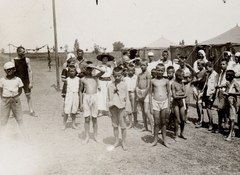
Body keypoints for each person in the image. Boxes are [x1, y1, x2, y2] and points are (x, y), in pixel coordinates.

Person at [0, 62, 28, 140]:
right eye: (7, 70)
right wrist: (4, 99)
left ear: (14, 69)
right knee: (3, 119)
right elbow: (0, 91)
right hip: (5, 100)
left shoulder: (18, 79)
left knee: (19, 119)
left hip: (15, 100)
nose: (9, 71)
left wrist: (15, 97)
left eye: (11, 69)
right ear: (5, 71)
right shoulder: (2, 80)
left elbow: (20, 90)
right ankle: (1, 137)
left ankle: (26, 136)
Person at [80, 62, 105, 144]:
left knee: (94, 118)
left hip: (94, 97)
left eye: (90, 69)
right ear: (84, 69)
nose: (89, 70)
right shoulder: (83, 79)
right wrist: (81, 103)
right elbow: (80, 92)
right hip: (86, 97)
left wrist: (94, 67)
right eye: (87, 69)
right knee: (87, 118)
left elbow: (103, 71)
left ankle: (95, 136)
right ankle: (87, 136)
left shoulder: (95, 77)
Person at [12, 46, 37, 117]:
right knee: (15, 96)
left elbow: (30, 71)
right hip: (17, 81)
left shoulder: (27, 60)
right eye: (22, 52)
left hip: (26, 80)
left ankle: (31, 111)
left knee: (28, 95)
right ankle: (14, 112)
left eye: (24, 51)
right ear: (18, 52)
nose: (24, 53)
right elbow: (12, 73)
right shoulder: (13, 61)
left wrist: (31, 82)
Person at [108, 67, 129, 150]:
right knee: (115, 125)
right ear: (113, 75)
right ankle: (116, 141)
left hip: (122, 108)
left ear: (122, 76)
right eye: (115, 76)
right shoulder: (110, 85)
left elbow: (127, 98)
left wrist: (127, 110)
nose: (117, 78)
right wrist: (108, 109)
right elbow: (108, 98)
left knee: (123, 126)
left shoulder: (124, 85)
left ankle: (123, 142)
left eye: (119, 76)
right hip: (113, 107)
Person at [150, 63, 170, 147]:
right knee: (156, 122)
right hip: (155, 102)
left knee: (163, 121)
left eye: (162, 71)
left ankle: (164, 139)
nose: (160, 72)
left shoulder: (166, 81)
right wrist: (151, 106)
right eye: (158, 70)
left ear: (164, 71)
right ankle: (155, 140)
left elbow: (169, 94)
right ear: (155, 70)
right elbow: (150, 94)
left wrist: (168, 105)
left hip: (164, 102)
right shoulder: (152, 81)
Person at [136, 59, 154, 133]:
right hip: (140, 92)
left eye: (144, 65)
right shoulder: (139, 75)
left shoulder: (148, 74)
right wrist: (137, 93)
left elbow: (148, 86)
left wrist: (144, 94)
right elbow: (136, 85)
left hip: (146, 93)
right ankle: (145, 126)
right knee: (143, 111)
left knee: (146, 111)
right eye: (141, 65)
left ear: (147, 65)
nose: (142, 66)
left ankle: (152, 127)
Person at [62, 66, 81, 130]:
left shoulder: (78, 79)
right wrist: (64, 95)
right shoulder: (67, 79)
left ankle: (73, 124)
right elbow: (64, 88)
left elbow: (80, 89)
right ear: (68, 72)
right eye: (70, 71)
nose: (72, 72)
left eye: (73, 71)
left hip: (75, 95)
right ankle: (64, 124)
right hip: (69, 95)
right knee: (66, 110)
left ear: (75, 72)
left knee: (74, 111)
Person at [223, 70, 240, 141]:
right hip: (228, 102)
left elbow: (239, 92)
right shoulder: (228, 83)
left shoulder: (235, 83)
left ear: (231, 76)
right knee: (229, 117)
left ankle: (230, 135)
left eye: (227, 75)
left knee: (232, 119)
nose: (226, 77)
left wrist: (231, 94)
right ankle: (232, 131)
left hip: (233, 102)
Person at [171, 69, 187, 140]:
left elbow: (184, 92)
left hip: (181, 102)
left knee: (183, 119)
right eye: (182, 75)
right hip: (175, 103)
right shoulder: (173, 83)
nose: (183, 76)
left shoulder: (182, 83)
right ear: (178, 76)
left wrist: (178, 94)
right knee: (177, 119)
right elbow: (174, 96)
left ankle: (182, 133)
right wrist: (182, 95)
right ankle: (176, 135)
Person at [203, 61, 219, 131]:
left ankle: (211, 124)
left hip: (211, 93)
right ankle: (210, 122)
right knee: (207, 108)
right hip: (207, 92)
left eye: (208, 68)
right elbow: (206, 83)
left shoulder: (215, 74)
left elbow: (215, 86)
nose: (207, 70)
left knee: (208, 108)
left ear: (211, 67)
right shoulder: (208, 74)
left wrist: (212, 95)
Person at [191, 59, 207, 127]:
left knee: (199, 105)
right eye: (197, 64)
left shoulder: (204, 72)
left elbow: (203, 81)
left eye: (199, 65)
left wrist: (196, 81)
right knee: (198, 105)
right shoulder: (198, 72)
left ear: (202, 65)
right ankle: (199, 118)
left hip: (201, 90)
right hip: (197, 89)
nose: (197, 66)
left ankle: (201, 120)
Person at [215, 59, 228, 133]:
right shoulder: (221, 73)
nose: (222, 66)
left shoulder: (228, 73)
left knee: (225, 110)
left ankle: (225, 125)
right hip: (220, 92)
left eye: (223, 64)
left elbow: (228, 83)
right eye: (221, 64)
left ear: (227, 64)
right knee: (219, 110)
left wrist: (220, 85)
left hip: (225, 92)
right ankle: (220, 125)